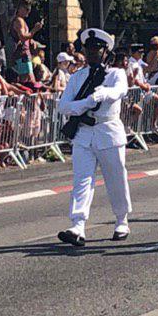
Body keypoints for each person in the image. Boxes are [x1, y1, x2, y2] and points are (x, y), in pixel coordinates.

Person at [57, 28, 131, 246]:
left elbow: (119, 91)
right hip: (84, 133)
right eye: (88, 49)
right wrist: (87, 103)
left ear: (105, 51)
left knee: (116, 179)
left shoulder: (115, 74)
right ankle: (78, 225)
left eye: (97, 49)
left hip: (107, 131)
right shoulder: (77, 77)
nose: (91, 53)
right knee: (82, 180)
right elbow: (64, 106)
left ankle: (121, 219)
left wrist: (103, 94)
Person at [10, 0, 44, 84]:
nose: (28, 12)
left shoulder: (22, 21)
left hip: (25, 54)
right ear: (20, 8)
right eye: (27, 9)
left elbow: (25, 37)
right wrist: (34, 30)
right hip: (22, 55)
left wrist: (31, 40)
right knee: (27, 79)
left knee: (30, 78)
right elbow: (22, 37)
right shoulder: (18, 21)